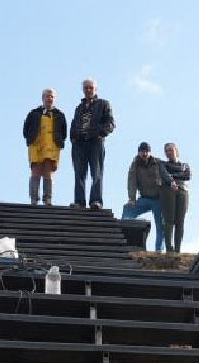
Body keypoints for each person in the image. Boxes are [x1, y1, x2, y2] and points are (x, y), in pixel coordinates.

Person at [69, 77, 115, 208]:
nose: (88, 90)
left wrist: (102, 133)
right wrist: (73, 138)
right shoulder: (79, 107)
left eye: (91, 87)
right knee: (79, 173)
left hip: (95, 142)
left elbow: (111, 123)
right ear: (83, 89)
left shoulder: (103, 104)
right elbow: (74, 124)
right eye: (86, 88)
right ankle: (79, 202)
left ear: (96, 89)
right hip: (79, 143)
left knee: (97, 172)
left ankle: (96, 201)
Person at [21, 88, 67, 205]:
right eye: (47, 96)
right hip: (36, 145)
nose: (49, 98)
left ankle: (47, 199)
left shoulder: (59, 115)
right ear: (43, 98)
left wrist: (58, 141)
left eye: (52, 96)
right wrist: (32, 138)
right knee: (36, 171)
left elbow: (64, 133)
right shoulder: (33, 113)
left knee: (48, 171)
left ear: (54, 99)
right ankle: (34, 199)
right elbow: (25, 130)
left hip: (52, 146)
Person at [123, 142, 171, 250]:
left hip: (158, 199)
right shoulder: (135, 164)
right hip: (144, 198)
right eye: (142, 152)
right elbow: (131, 182)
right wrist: (132, 199)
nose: (144, 154)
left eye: (146, 151)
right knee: (127, 210)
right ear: (139, 152)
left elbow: (166, 176)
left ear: (150, 152)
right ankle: (125, 242)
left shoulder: (158, 162)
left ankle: (159, 250)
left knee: (161, 225)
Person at [160, 142, 191, 252]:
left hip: (183, 191)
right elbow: (164, 174)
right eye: (166, 151)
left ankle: (177, 249)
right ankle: (169, 248)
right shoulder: (162, 164)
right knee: (168, 220)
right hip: (168, 191)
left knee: (180, 221)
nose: (168, 152)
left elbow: (187, 176)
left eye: (170, 150)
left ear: (176, 150)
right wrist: (172, 180)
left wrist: (173, 175)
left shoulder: (185, 165)